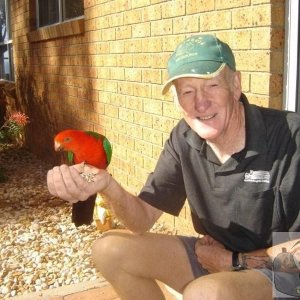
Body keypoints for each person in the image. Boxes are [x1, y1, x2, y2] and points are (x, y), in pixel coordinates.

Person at [47, 34, 300, 300]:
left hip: (284, 274)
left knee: (205, 293)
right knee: (109, 250)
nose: (200, 103)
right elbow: (141, 220)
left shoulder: (290, 137)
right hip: (214, 258)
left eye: (212, 85)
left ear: (235, 85)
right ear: (178, 100)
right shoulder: (184, 139)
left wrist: (234, 261)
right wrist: (107, 185)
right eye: (187, 91)